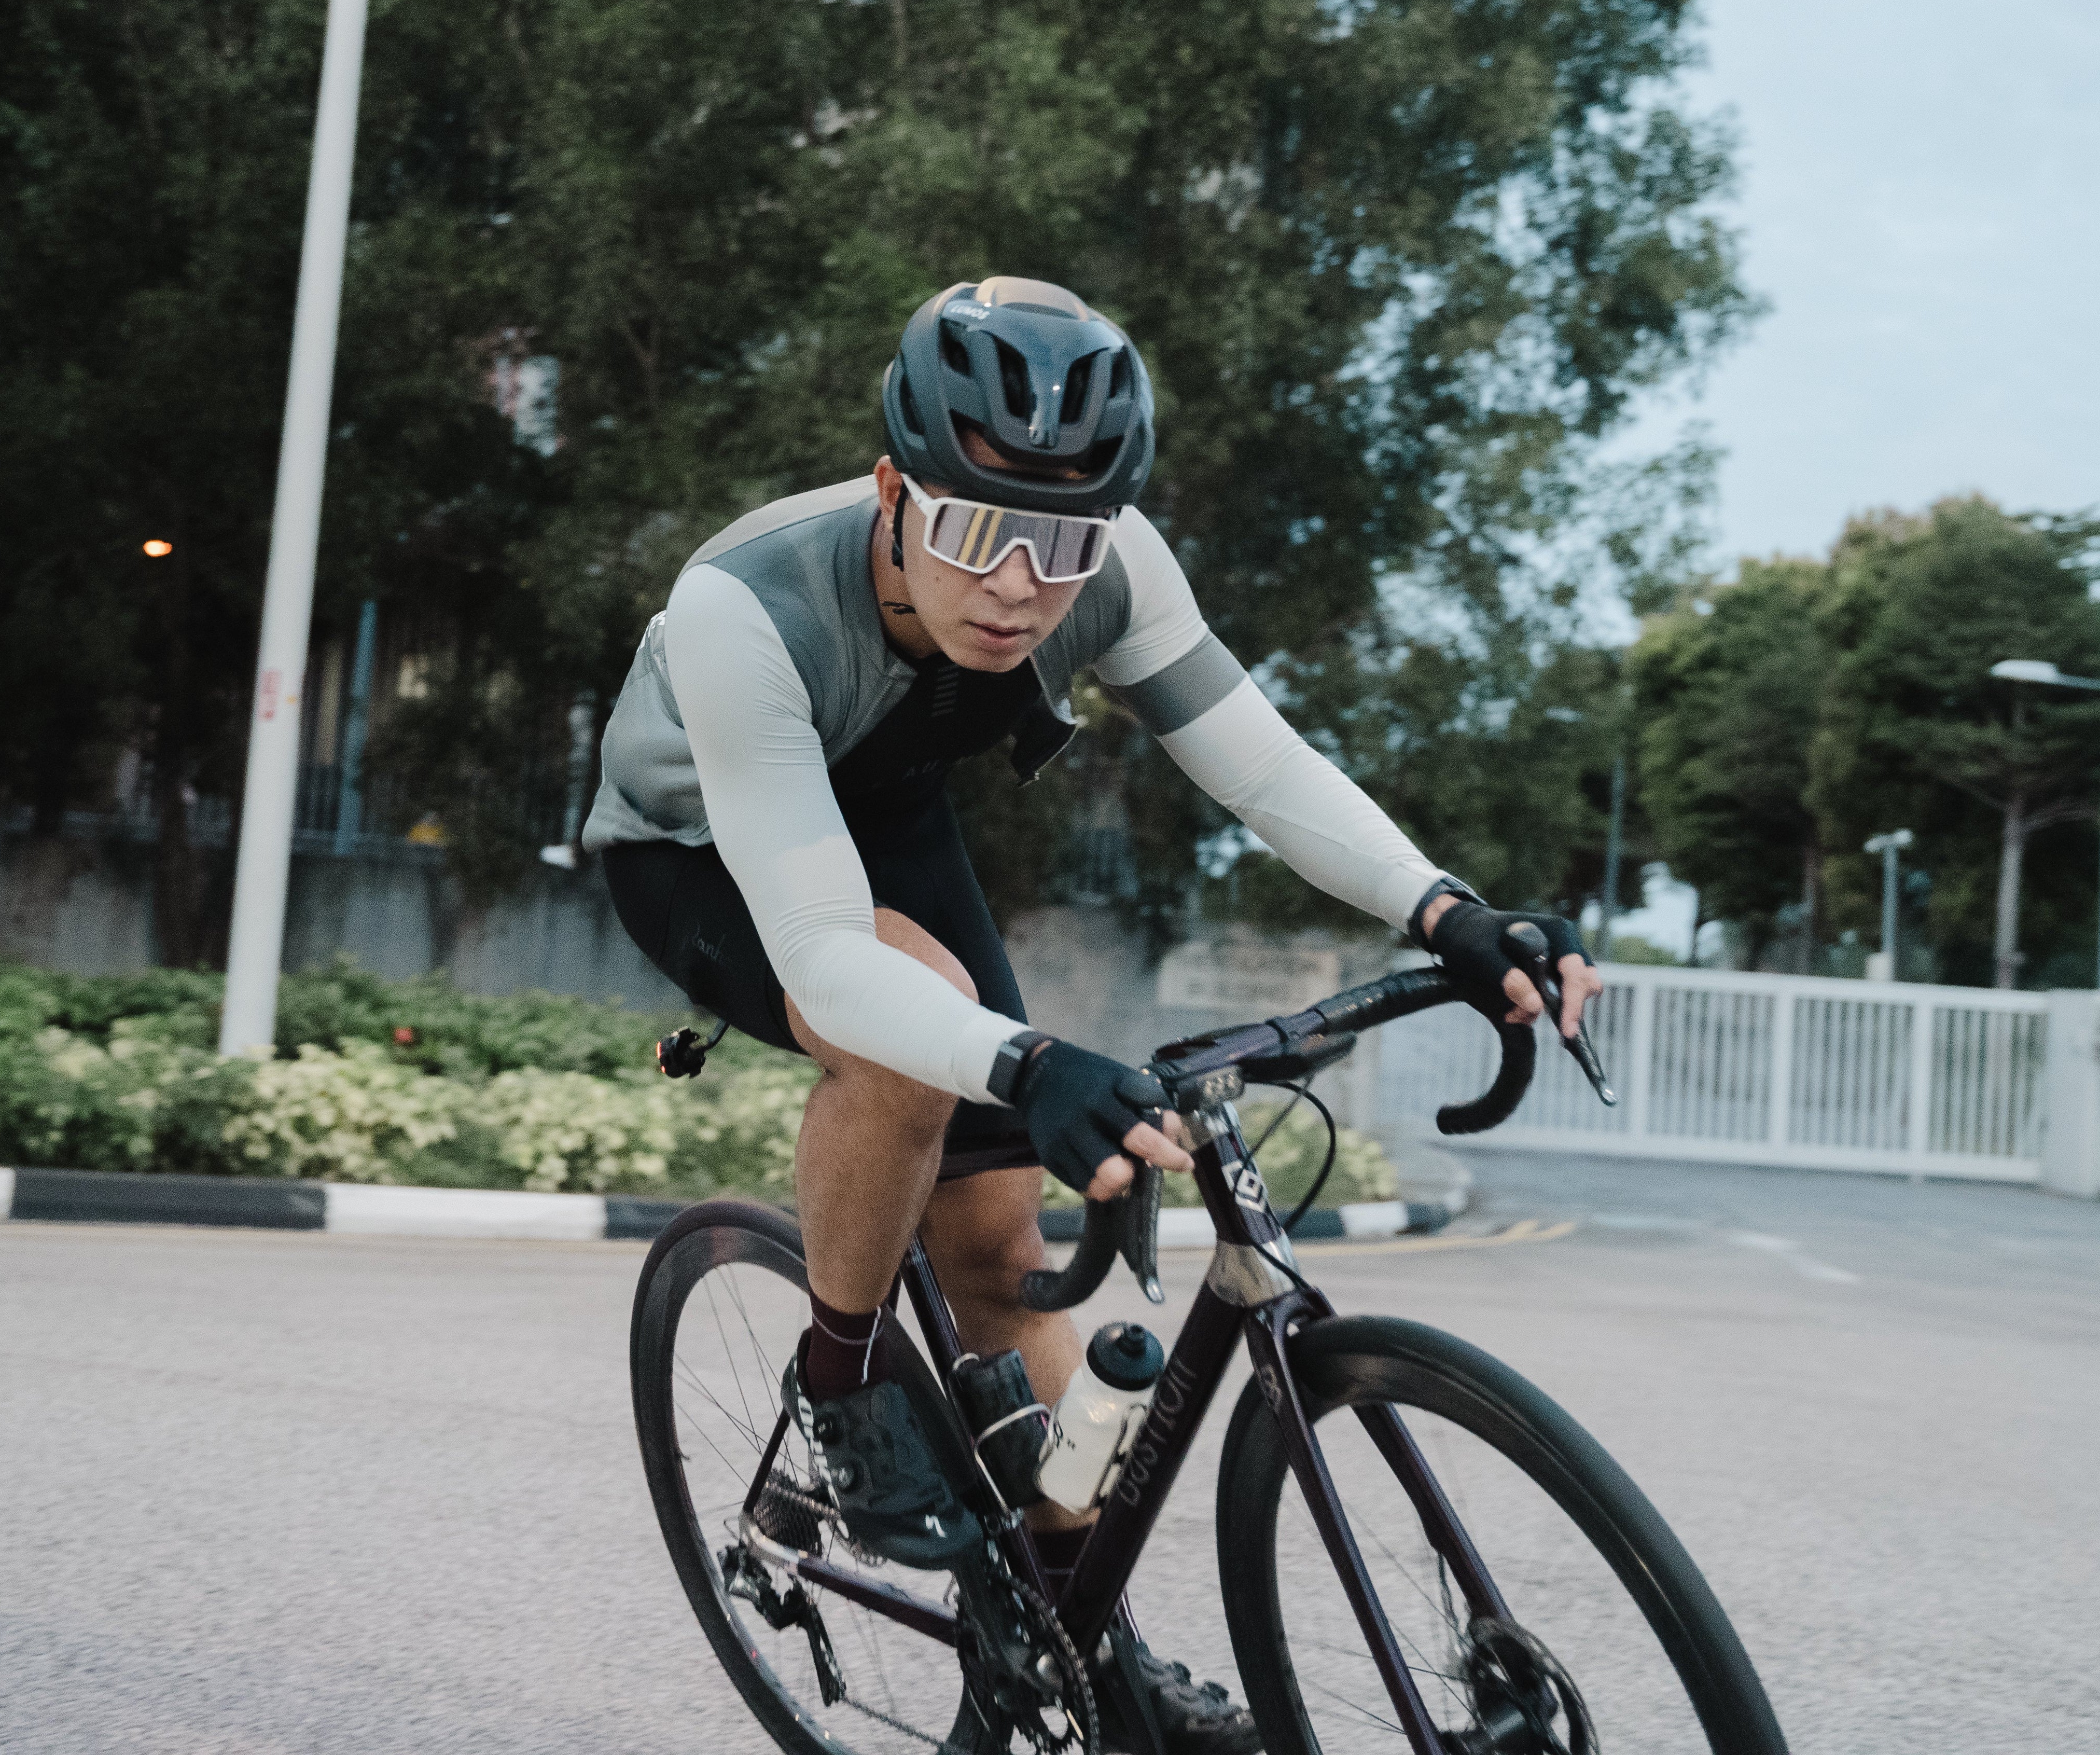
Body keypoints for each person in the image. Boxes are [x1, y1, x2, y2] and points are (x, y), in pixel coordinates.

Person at [587, 276, 1601, 1754]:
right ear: (892, 491)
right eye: (976, 530)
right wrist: (1029, 1060)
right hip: (700, 847)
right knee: (906, 1027)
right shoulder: (747, 607)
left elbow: (1263, 769)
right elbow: (818, 949)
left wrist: (1448, 910)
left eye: (1063, 545)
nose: (1018, 584)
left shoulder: (1110, 574)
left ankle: (1079, 1639)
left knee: (1006, 1252)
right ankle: (843, 1373)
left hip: (890, 809)